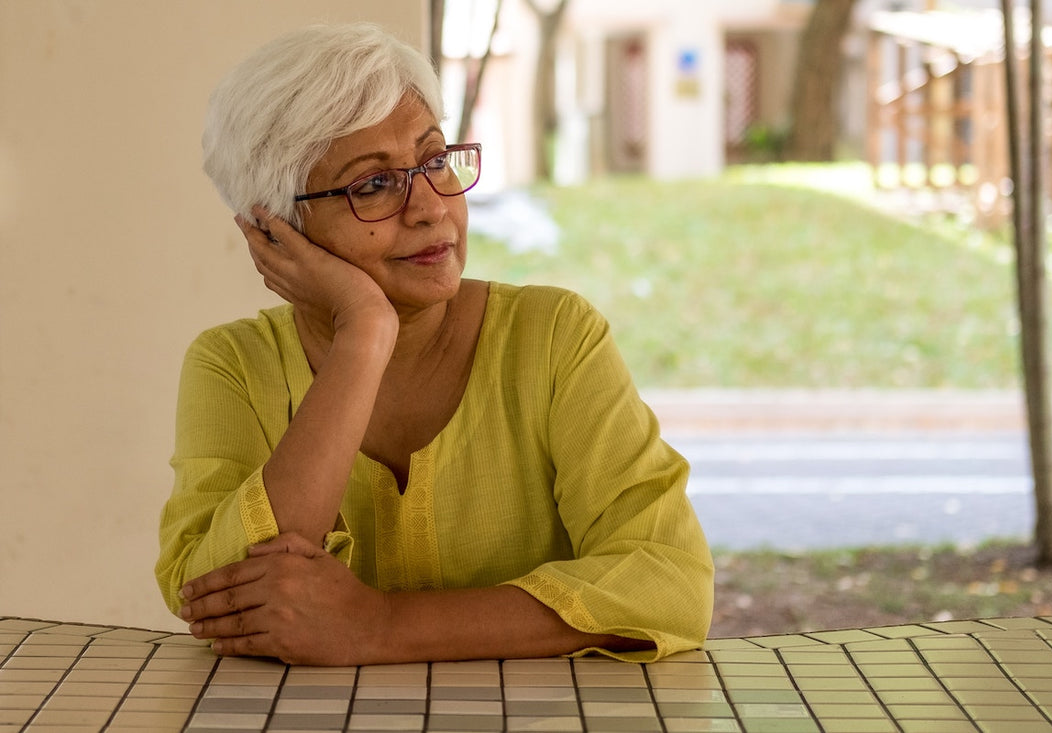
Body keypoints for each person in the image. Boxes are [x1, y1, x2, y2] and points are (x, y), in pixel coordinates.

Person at [155, 21, 713, 667]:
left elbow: (670, 582)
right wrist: (364, 334)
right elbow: (217, 594)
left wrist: (381, 627)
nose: (431, 207)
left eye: (435, 160)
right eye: (372, 184)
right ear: (274, 231)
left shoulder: (554, 337)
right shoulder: (232, 366)